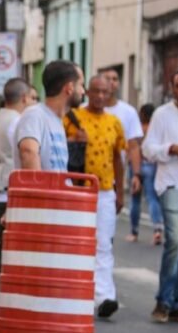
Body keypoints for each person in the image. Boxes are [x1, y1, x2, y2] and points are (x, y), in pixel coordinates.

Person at [64, 75, 126, 318]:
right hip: (78, 190)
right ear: (87, 92)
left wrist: (119, 191)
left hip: (105, 192)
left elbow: (117, 159)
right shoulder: (72, 119)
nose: (101, 96)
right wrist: (73, 141)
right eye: (96, 91)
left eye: (105, 92)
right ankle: (74, 293)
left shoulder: (114, 122)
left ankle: (104, 297)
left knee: (103, 244)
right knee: (76, 244)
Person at [141, 69, 178, 324]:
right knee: (176, 240)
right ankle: (163, 300)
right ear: (172, 87)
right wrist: (171, 149)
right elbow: (148, 150)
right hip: (171, 185)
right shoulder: (162, 114)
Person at [0, 78, 34, 321]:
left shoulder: (0, 118)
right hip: (8, 189)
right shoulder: (16, 122)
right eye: (33, 99)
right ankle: (0, 304)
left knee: (3, 248)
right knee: (7, 250)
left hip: (0, 187)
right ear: (24, 98)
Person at [14, 60, 85, 171]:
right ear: (70, 88)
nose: (83, 91)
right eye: (81, 85)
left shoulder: (55, 120)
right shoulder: (35, 115)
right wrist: (39, 188)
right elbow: (28, 152)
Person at [101, 68, 143, 206]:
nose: (111, 82)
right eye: (107, 78)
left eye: (115, 79)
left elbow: (133, 146)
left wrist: (136, 175)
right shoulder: (82, 111)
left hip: (114, 178)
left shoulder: (129, 112)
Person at [127, 103, 163, 244]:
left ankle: (134, 232)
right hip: (152, 166)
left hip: (137, 166)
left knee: (135, 199)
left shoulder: (138, 130)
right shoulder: (155, 130)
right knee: (153, 198)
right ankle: (157, 229)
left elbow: (132, 148)